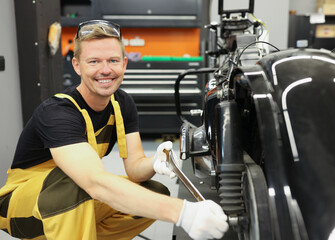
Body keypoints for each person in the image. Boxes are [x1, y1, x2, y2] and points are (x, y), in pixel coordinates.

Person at [0, 20, 229, 240]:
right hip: (21, 207)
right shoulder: (58, 112)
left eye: (113, 60)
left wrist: (154, 162)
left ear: (124, 64)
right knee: (76, 185)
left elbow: (134, 169)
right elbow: (94, 182)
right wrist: (183, 213)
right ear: (77, 66)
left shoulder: (122, 103)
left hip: (72, 199)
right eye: (94, 62)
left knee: (155, 192)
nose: (105, 70)